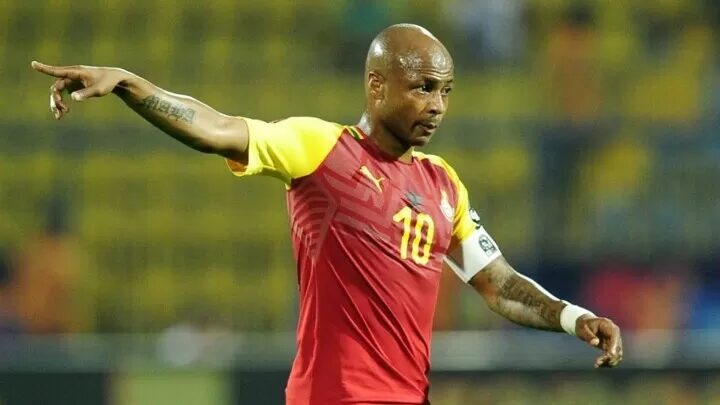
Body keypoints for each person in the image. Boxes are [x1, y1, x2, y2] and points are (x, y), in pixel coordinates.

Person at [31, 23, 622, 405]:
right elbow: (216, 129)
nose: (437, 105)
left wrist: (573, 317)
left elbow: (498, 284)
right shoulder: (321, 148)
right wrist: (130, 85)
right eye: (422, 88)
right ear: (376, 84)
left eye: (445, 90)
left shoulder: (444, 184)